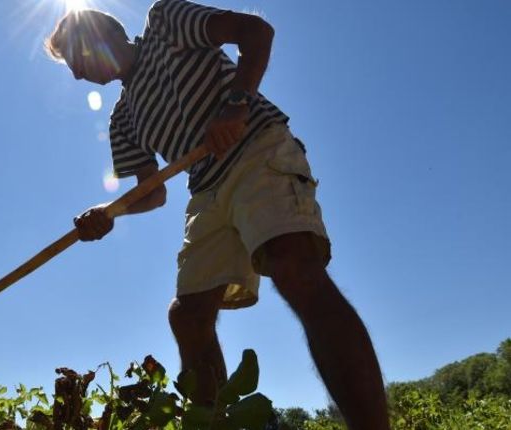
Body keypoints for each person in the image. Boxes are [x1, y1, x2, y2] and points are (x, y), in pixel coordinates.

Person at [44, 0, 390, 428]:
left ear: (103, 35)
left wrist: (236, 104)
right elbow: (152, 193)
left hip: (256, 148)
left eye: (76, 60)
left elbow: (256, 33)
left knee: (294, 268)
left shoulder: (164, 23)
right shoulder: (122, 119)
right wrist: (108, 212)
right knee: (187, 316)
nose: (77, 76)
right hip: (206, 190)